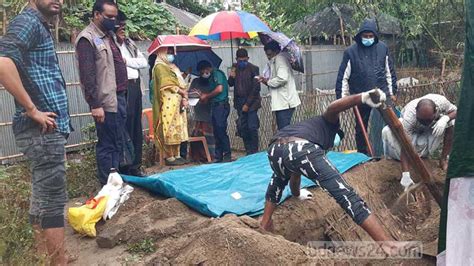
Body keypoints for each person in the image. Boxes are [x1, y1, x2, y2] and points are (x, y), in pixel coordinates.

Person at [260, 88, 405, 255]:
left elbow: (294, 171)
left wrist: (297, 193)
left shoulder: (305, 129)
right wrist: (363, 97)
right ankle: (387, 245)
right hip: (301, 149)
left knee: (277, 181)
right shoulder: (328, 124)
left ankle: (264, 225)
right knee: (347, 196)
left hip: (274, 150)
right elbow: (333, 108)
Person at [0, 0, 71, 264]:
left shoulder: (38, 25)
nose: (59, 1)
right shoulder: (27, 22)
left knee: (43, 197)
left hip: (44, 129)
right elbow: (3, 62)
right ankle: (58, 261)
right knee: (52, 199)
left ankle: (46, 257)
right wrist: (32, 109)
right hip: (41, 128)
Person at [76, 0, 127, 186]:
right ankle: (107, 186)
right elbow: (87, 75)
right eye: (109, 17)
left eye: (115, 17)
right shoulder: (87, 38)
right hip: (105, 102)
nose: (113, 21)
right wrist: (95, 104)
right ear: (97, 14)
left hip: (118, 97)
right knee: (107, 144)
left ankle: (116, 182)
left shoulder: (108, 36)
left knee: (117, 141)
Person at [335, 19, 398, 155]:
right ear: (360, 36)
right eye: (365, 36)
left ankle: (392, 152)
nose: (368, 38)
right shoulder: (350, 52)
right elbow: (343, 77)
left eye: (371, 36)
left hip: (382, 94)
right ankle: (363, 154)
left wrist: (392, 92)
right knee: (361, 127)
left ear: (375, 36)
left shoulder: (383, 48)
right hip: (361, 96)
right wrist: (342, 100)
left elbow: (389, 71)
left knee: (391, 123)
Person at [382, 94, 457, 190]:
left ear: (436, 111)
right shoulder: (409, 116)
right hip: (413, 137)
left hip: (430, 134)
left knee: (451, 122)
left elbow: (457, 111)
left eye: (428, 120)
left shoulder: (442, 102)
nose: (424, 123)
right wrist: (405, 174)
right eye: (421, 120)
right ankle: (396, 159)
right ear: (416, 112)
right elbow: (405, 144)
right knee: (387, 130)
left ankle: (443, 159)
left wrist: (445, 118)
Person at [115, 11, 148, 176]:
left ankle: (136, 166)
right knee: (124, 127)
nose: (123, 30)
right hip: (122, 88)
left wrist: (128, 62)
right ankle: (125, 166)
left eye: (124, 27)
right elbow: (116, 65)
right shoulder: (110, 45)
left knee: (136, 126)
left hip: (135, 87)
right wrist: (130, 63)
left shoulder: (130, 44)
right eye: (120, 27)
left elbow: (143, 62)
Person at [152, 47, 189, 166]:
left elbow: (179, 82)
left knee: (178, 127)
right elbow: (166, 84)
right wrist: (181, 91)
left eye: (171, 53)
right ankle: (169, 156)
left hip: (177, 102)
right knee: (169, 129)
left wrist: (184, 93)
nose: (171, 55)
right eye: (168, 53)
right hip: (167, 103)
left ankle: (177, 154)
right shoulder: (159, 67)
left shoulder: (172, 67)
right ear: (162, 53)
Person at [257, 41, 301, 130]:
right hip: (282, 102)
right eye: (267, 55)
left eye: (269, 54)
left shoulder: (280, 59)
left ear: (276, 51)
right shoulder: (276, 60)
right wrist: (266, 81)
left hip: (285, 102)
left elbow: (282, 78)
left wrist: (268, 81)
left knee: (284, 131)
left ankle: (285, 144)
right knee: (283, 130)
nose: (268, 57)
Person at [228, 48, 261, 155]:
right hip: (239, 102)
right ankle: (248, 150)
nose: (242, 63)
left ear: (248, 58)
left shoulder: (254, 69)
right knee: (243, 128)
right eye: (240, 61)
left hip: (252, 102)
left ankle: (254, 151)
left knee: (252, 127)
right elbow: (230, 84)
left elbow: (256, 88)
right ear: (236, 59)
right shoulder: (235, 68)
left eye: (244, 60)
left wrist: (247, 104)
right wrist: (231, 75)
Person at [198, 60, 232, 163]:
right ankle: (218, 156)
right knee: (216, 131)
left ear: (207, 68)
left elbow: (219, 89)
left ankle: (227, 154)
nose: (203, 74)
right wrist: (204, 97)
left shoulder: (217, 74)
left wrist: (207, 96)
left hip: (221, 106)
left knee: (221, 130)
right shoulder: (210, 78)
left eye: (203, 71)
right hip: (214, 106)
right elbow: (212, 92)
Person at [188, 77, 215, 162]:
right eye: (202, 70)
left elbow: (216, 94)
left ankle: (211, 157)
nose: (205, 72)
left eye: (207, 69)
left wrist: (207, 96)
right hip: (198, 114)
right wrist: (198, 95)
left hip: (210, 114)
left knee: (210, 138)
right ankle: (197, 157)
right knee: (196, 136)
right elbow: (190, 93)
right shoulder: (195, 81)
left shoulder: (212, 81)